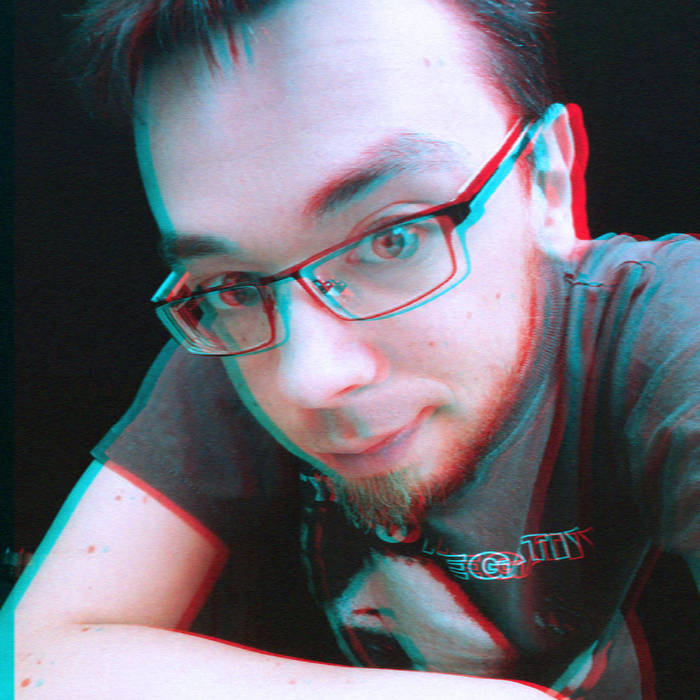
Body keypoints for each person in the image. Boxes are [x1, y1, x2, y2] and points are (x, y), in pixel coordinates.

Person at [6, 0, 698, 697]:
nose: (308, 378)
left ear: (547, 177)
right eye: (233, 283)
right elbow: (30, 658)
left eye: (392, 239)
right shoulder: (243, 336)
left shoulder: (670, 324)